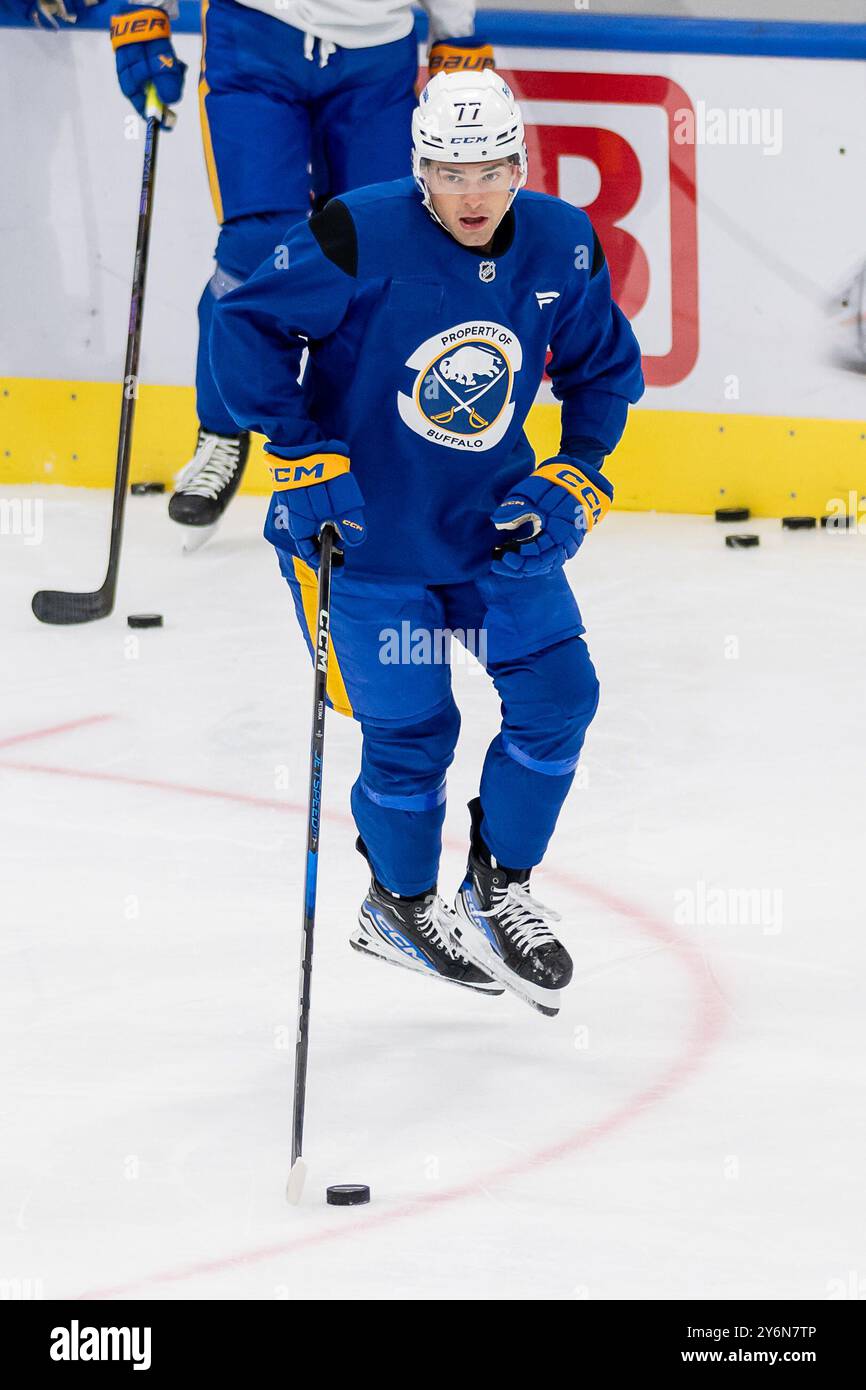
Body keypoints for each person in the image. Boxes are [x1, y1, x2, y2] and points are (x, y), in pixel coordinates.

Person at [211, 70, 644, 1017]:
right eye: (451, 174)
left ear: (521, 163)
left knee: (561, 697)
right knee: (413, 734)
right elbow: (242, 319)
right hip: (361, 538)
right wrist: (298, 450)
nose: (474, 194)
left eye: (492, 169)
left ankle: (498, 888)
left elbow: (604, 367)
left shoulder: (565, 246)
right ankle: (400, 905)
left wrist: (576, 472)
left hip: (493, 534)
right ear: (419, 172)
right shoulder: (357, 231)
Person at [107, 0, 492, 545]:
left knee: (378, 249)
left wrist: (456, 30)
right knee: (256, 253)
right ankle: (222, 430)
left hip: (376, 51)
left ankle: (367, 449)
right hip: (254, 35)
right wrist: (145, 10)